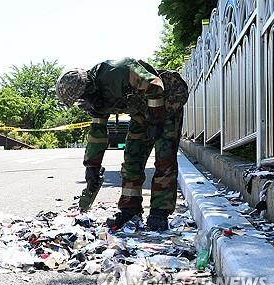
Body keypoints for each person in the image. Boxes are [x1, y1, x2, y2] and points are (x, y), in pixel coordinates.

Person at [56, 57, 188, 231]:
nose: (82, 104)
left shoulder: (117, 70)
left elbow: (155, 86)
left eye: (81, 99)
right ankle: (130, 209)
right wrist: (92, 167)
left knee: (164, 159)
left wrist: (157, 120)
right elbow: (97, 133)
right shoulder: (95, 100)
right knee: (132, 160)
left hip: (167, 102)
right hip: (141, 113)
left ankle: (159, 213)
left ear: (88, 87)